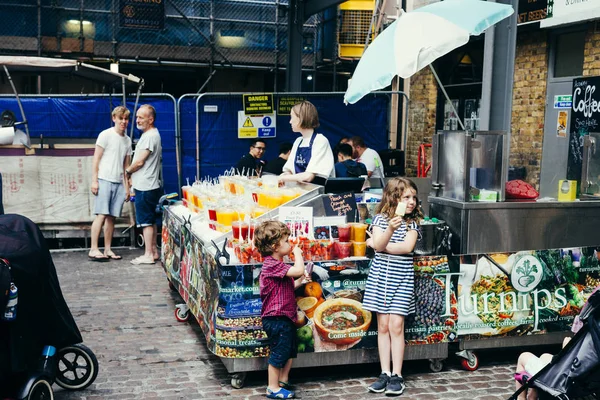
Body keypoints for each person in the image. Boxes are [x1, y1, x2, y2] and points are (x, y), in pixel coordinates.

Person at [363, 177, 423, 396]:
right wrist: (386, 232)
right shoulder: (380, 220)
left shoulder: (412, 224)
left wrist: (379, 246)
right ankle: (384, 372)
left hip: (402, 280)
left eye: (414, 197)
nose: (411, 202)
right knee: (384, 326)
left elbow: (406, 248)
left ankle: (397, 374)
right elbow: (380, 243)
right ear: (393, 198)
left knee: (397, 325)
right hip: (380, 279)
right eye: (406, 197)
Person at [255, 220, 311, 399]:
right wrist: (298, 254)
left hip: (285, 317)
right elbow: (298, 269)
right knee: (279, 352)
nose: (290, 244)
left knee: (289, 349)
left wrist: (301, 282)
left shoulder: (279, 267)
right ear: (274, 246)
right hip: (276, 318)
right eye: (286, 241)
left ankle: (282, 380)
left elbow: (288, 287)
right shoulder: (271, 264)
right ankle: (272, 387)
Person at [88, 106, 132, 261]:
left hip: (119, 182)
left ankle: (107, 249)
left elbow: (126, 166)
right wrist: (94, 180)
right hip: (104, 179)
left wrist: (127, 188)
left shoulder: (127, 140)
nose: (124, 122)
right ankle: (94, 248)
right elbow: (96, 159)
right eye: (121, 118)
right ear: (114, 118)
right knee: (101, 214)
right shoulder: (105, 135)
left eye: (126, 119)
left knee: (112, 217)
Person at [126, 104, 163, 265]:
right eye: (138, 117)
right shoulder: (151, 134)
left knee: (146, 222)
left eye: (141, 117)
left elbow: (140, 161)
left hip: (145, 185)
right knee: (151, 220)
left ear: (151, 119)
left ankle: (148, 254)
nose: (138, 120)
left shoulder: (149, 136)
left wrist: (128, 171)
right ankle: (153, 252)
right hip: (149, 184)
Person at [280, 101, 334, 185]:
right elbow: (289, 170)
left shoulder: (320, 140)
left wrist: (282, 178)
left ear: (301, 118)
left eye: (292, 117)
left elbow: (308, 176)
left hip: (317, 193)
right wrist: (283, 176)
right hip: (300, 191)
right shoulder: (298, 141)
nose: (290, 121)